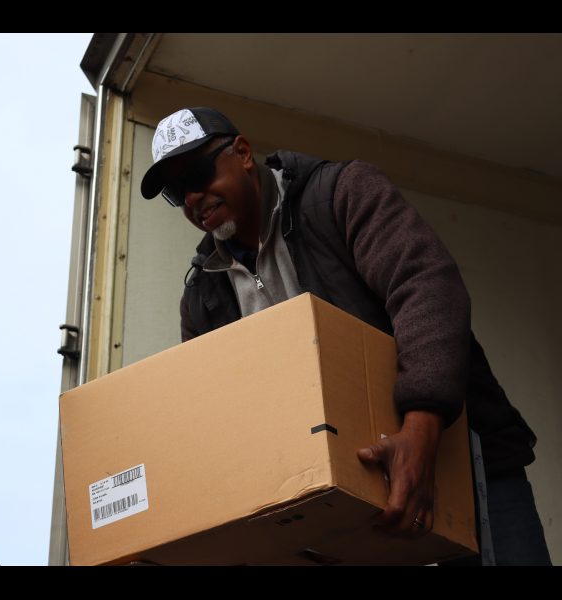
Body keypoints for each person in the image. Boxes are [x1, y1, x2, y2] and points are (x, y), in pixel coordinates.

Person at [140, 107, 552, 566]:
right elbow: (220, 416)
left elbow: (425, 287)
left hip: (463, 467)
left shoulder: (340, 194)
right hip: (349, 504)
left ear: (242, 153)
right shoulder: (203, 295)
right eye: (176, 192)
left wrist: (420, 432)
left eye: (198, 175)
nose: (192, 197)